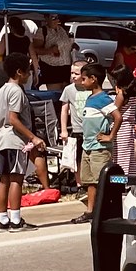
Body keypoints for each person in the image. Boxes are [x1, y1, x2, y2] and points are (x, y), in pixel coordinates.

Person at [0, 53, 47, 232]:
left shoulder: (2, 90)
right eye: (28, 70)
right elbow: (13, 119)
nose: (30, 74)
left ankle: (2, 219)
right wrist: (34, 138)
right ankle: (15, 220)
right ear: (19, 72)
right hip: (14, 140)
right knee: (16, 178)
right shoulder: (16, 91)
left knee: (3, 180)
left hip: (1, 139)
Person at [74, 63, 121, 225]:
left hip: (99, 148)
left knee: (102, 180)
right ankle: (91, 211)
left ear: (93, 79)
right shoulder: (90, 98)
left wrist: (110, 136)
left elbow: (118, 117)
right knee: (90, 181)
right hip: (88, 147)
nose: (81, 81)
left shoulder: (103, 99)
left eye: (84, 79)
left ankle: (105, 210)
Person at [59, 60, 88, 188]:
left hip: (91, 130)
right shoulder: (68, 90)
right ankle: (79, 183)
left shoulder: (91, 88)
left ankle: (90, 182)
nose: (73, 76)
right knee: (77, 159)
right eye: (71, 73)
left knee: (90, 158)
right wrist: (64, 129)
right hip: (77, 129)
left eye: (76, 73)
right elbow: (64, 110)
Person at [110, 65, 136, 177]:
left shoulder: (121, 95)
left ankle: (120, 182)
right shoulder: (133, 92)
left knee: (120, 158)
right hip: (128, 127)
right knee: (128, 157)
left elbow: (114, 111)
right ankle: (129, 180)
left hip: (121, 128)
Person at [30, 14, 74, 91]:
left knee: (65, 91)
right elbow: (35, 49)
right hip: (51, 67)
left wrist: (72, 45)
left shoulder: (62, 29)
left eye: (58, 18)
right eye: (53, 18)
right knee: (55, 92)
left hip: (66, 66)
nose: (57, 20)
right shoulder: (42, 31)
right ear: (46, 18)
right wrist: (50, 50)